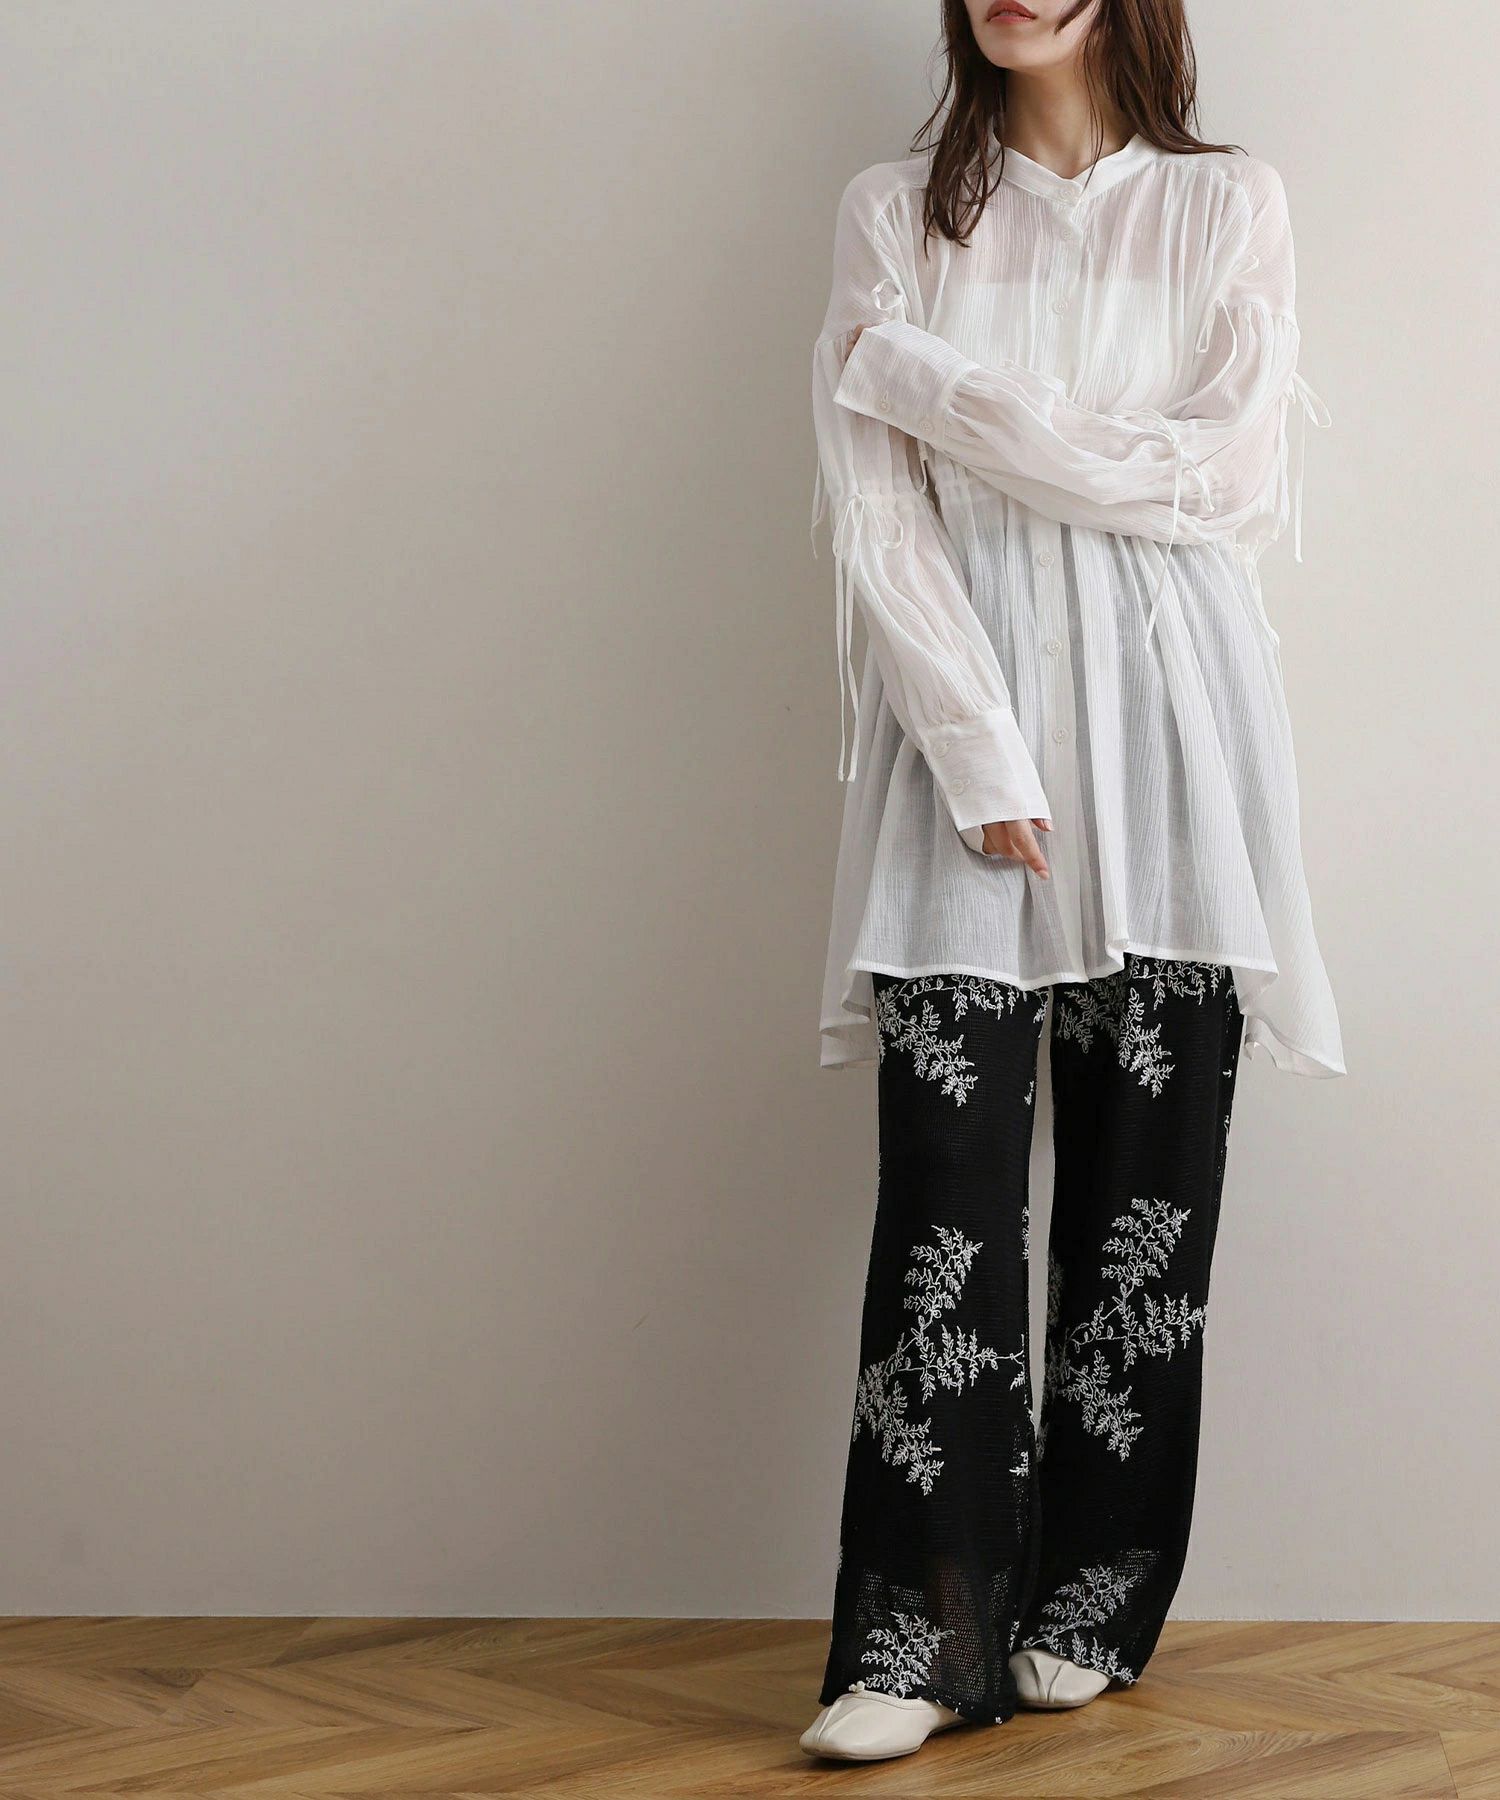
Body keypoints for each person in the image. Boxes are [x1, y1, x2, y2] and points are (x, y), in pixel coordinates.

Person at [800, 0, 1344, 1763]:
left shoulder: (1226, 201)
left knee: (1145, 1187)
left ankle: (1093, 1601)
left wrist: (931, 382)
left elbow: (1220, 476)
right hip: (964, 743)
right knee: (943, 1190)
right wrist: (978, 751)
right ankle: (918, 1636)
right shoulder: (894, 212)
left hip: (1175, 744)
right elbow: (877, 516)